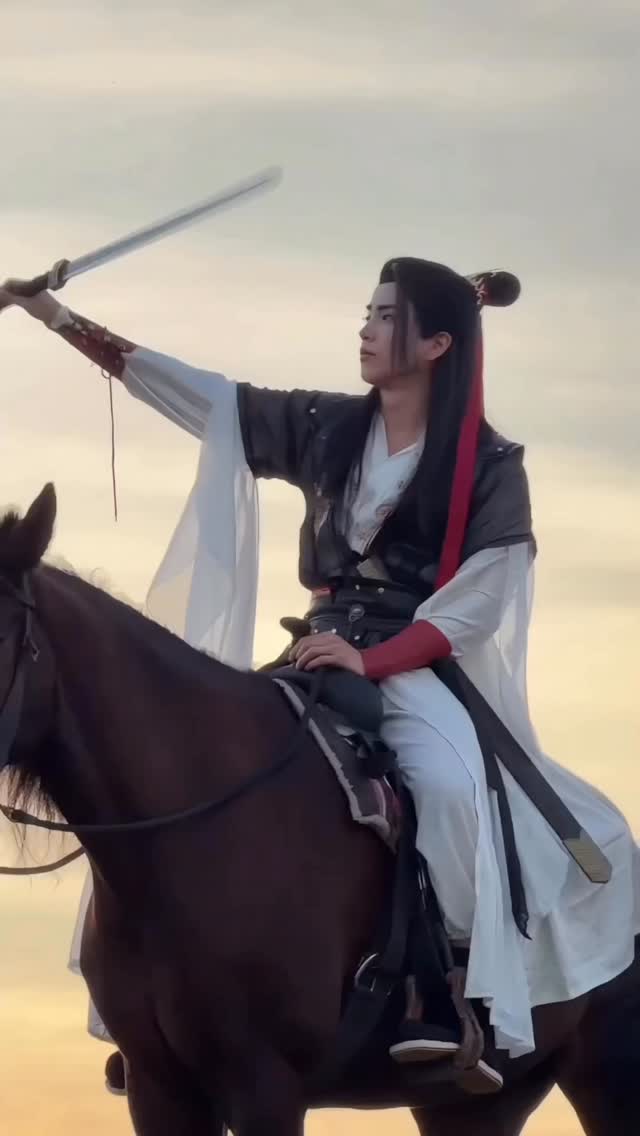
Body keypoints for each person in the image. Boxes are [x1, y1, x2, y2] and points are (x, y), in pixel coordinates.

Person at [2, 260, 639, 1095]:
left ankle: (446, 998)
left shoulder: (488, 464)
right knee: (173, 767)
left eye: (387, 316)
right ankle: (151, 1010)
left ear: (438, 344)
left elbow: (480, 601)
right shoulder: (330, 427)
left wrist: (373, 660)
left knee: (449, 790)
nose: (366, 329)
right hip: (316, 653)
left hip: (417, 665)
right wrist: (55, 316)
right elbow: (208, 401)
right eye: (368, 312)